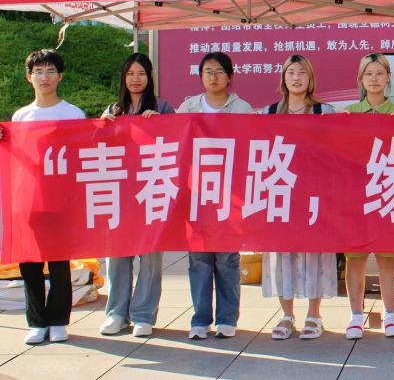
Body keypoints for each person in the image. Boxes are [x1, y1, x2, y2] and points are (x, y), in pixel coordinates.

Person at [8, 50, 85, 345]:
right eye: (38, 71)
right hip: (28, 199)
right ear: (29, 77)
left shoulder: (72, 114)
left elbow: (81, 155)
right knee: (30, 261)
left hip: (61, 200)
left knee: (59, 262)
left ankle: (58, 320)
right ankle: (36, 321)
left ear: (60, 76)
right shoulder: (21, 116)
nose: (44, 77)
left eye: (50, 71)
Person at [177, 52, 254, 341]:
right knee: (198, 259)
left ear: (230, 76)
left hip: (230, 195)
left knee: (227, 259)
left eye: (219, 71)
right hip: (197, 194)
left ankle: (226, 318)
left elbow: (253, 146)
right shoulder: (189, 107)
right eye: (208, 71)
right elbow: (173, 141)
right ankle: (200, 319)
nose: (213, 76)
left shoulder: (243, 109)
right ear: (200, 76)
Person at [262, 55, 339, 342]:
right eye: (291, 72)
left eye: (302, 73)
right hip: (281, 191)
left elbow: (339, 148)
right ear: (283, 78)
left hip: (315, 192)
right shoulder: (268, 113)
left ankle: (314, 314)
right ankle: (286, 314)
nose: (296, 78)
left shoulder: (324, 111)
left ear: (310, 78)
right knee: (283, 253)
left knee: (315, 252)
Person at [99, 53, 175, 338]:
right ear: (123, 77)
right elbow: (98, 149)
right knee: (117, 255)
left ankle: (143, 314)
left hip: (152, 191)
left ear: (150, 76)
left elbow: (178, 142)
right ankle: (116, 313)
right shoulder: (114, 109)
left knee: (150, 257)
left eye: (141, 73)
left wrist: (161, 124)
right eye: (130, 73)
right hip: (120, 193)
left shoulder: (162, 107)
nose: (135, 79)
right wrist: (102, 127)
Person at [344, 53, 394, 339]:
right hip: (356, 195)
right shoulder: (349, 113)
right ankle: (356, 316)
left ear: (388, 77)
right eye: (368, 74)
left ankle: (390, 315)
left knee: (386, 256)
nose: (374, 78)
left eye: (379, 73)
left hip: (387, 191)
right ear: (360, 78)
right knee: (355, 258)